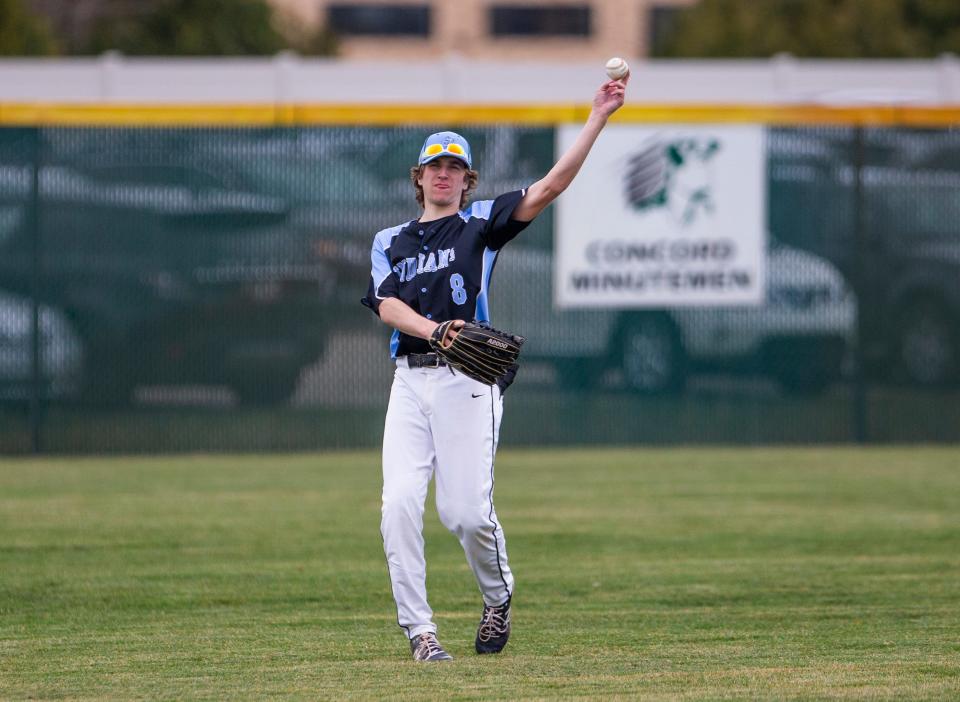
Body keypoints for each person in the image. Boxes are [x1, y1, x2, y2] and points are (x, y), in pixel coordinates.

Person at [361, 75, 628, 662]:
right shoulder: (390, 240)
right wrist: (433, 330)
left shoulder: (480, 224)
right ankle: (421, 633)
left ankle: (497, 597)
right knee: (398, 504)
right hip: (410, 380)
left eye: (455, 167)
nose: (444, 174)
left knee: (464, 513)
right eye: (434, 165)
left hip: (467, 383)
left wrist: (598, 117)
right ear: (419, 177)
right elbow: (387, 306)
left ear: (467, 178)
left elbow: (552, 185)